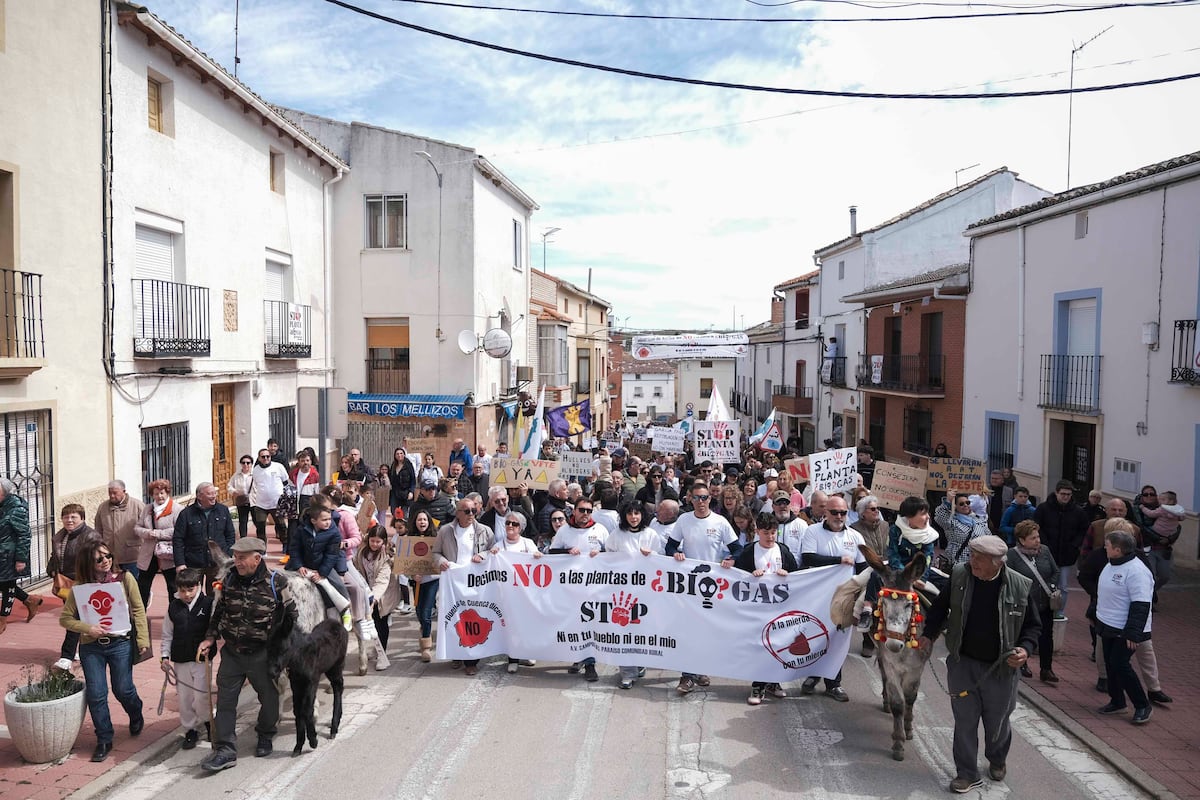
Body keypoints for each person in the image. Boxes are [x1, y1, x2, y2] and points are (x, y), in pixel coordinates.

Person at [918, 535, 1040, 793]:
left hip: (1001, 668)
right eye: (971, 555)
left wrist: (1024, 650)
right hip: (963, 663)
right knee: (965, 722)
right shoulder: (961, 576)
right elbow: (939, 609)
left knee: (997, 722)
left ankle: (997, 758)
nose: (971, 562)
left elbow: (1033, 627)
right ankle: (967, 773)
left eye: (979, 558)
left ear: (998, 562)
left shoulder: (1020, 586)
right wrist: (928, 636)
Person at [198, 537, 298, 771]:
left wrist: (285, 651)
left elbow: (292, 618)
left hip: (262, 654)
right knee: (225, 702)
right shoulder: (229, 579)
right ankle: (225, 749)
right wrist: (210, 636)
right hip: (232, 652)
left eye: (242, 558)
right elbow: (219, 611)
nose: (237, 562)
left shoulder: (276, 582)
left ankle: (265, 733)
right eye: (235, 557)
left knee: (270, 699)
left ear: (257, 558)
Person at [59, 539, 149, 763]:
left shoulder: (125, 578)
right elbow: (65, 619)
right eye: (99, 559)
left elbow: (138, 609)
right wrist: (87, 628)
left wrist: (143, 639)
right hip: (91, 647)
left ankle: (136, 712)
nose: (106, 561)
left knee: (123, 689)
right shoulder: (80, 587)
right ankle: (104, 739)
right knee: (96, 694)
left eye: (108, 556)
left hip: (120, 643)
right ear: (89, 562)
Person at [666, 483, 741, 694]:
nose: (701, 502)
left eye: (705, 497)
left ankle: (701, 670)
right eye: (697, 497)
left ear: (710, 499)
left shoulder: (720, 522)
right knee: (689, 631)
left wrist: (732, 559)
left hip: (712, 586)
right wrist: (676, 553)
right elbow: (670, 545)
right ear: (690, 499)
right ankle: (687, 676)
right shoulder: (684, 520)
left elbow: (737, 548)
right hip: (689, 586)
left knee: (706, 631)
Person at [799, 495, 864, 701]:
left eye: (843, 512)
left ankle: (834, 683)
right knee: (816, 638)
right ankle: (813, 675)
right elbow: (808, 558)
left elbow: (863, 569)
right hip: (817, 599)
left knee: (838, 642)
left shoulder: (856, 537)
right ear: (825, 512)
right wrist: (839, 561)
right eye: (834, 512)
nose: (838, 516)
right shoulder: (812, 532)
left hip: (844, 601)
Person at [734, 511, 799, 705]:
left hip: (779, 608)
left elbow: (797, 576)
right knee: (760, 647)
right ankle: (758, 685)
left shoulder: (783, 550)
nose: (770, 537)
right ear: (757, 532)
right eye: (766, 533)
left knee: (778, 645)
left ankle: (773, 681)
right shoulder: (749, 551)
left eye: (773, 533)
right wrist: (750, 575)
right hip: (757, 610)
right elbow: (736, 577)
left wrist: (786, 573)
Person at [1095, 526, 1154, 725]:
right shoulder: (1112, 563)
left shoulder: (1137, 571)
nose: (1105, 547)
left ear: (1118, 549)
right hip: (1108, 624)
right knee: (1111, 664)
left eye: (1108, 545)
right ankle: (1117, 701)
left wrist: (1132, 633)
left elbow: (1141, 605)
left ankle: (1142, 705)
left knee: (1120, 664)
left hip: (1126, 629)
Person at [432, 499, 495, 675]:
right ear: (457, 512)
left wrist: (482, 555)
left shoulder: (484, 530)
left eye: (473, 511)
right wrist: (442, 561)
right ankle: (456, 653)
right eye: (466, 511)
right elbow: (435, 553)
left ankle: (471, 660)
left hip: (476, 584)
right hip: (454, 583)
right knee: (454, 618)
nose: (471, 515)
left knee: (473, 618)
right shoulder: (445, 531)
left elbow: (494, 550)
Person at [605, 500, 659, 689]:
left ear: (642, 515)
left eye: (637, 513)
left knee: (643, 630)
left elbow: (660, 562)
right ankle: (627, 673)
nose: (633, 517)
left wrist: (651, 555)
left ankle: (640, 662)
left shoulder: (651, 534)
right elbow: (607, 557)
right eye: (630, 513)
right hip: (623, 593)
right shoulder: (616, 535)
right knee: (624, 630)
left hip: (645, 592)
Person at [160, 567, 212, 749]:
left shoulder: (207, 604)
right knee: (184, 697)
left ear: (198, 586)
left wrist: (209, 643)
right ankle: (190, 729)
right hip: (180, 659)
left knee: (201, 695)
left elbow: (213, 631)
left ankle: (207, 721)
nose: (187, 594)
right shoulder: (173, 607)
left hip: (201, 660)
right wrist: (164, 656)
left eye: (190, 590)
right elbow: (167, 633)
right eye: (183, 591)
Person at [1005, 520, 1060, 683]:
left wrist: (1050, 586)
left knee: (1046, 636)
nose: (1038, 540)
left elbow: (1055, 571)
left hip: (1044, 602)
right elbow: (1009, 576)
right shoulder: (1012, 555)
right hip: (1024, 603)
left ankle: (1046, 669)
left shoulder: (1045, 551)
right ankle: (1023, 663)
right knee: (1022, 633)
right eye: (1033, 537)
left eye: (1038, 536)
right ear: (1022, 540)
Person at [489, 513, 542, 674]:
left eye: (515, 524)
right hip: (508, 594)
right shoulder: (499, 545)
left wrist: (537, 556)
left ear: (521, 527)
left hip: (526, 593)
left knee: (527, 624)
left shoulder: (528, 543)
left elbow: (540, 562)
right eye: (508, 523)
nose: (510, 526)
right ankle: (513, 658)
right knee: (511, 626)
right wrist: (492, 554)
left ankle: (527, 653)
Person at [48, 504, 99, 664]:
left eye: (73, 517)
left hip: (83, 582)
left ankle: (66, 656)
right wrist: (52, 569)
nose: (69, 520)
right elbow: (55, 556)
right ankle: (82, 649)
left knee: (74, 616)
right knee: (81, 617)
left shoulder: (90, 536)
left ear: (82, 518)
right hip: (66, 584)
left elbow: (98, 559)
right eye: (66, 517)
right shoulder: (61, 535)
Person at [1033, 481, 1090, 618]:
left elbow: (1084, 530)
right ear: (1057, 493)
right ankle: (1041, 609)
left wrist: (1074, 545)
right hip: (1045, 553)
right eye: (1063, 494)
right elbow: (1036, 526)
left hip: (1066, 555)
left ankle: (1059, 611)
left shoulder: (1078, 512)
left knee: (1063, 586)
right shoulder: (1043, 508)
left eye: (1068, 494)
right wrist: (1043, 544)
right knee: (1043, 583)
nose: (1066, 497)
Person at [172, 482, 236, 591]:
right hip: (193, 563)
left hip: (217, 564)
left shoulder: (223, 510)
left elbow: (230, 535)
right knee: (193, 594)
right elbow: (178, 539)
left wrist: (228, 554)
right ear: (199, 496)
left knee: (216, 595)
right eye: (209, 494)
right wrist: (180, 563)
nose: (213, 496)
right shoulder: (186, 514)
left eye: (214, 493)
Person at [355, 524, 399, 671]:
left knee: (381, 623)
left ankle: (382, 654)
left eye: (378, 542)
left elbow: (382, 581)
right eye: (372, 541)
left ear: (384, 542)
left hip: (383, 595)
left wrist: (373, 598)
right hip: (366, 593)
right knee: (370, 622)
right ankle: (376, 648)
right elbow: (357, 571)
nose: (374, 544)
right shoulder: (361, 553)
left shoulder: (386, 557)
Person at [133, 478, 181, 609]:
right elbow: (137, 527)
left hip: (169, 555)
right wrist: (147, 533)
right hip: (149, 554)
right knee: (143, 587)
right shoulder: (147, 509)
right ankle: (139, 619)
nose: (159, 496)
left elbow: (179, 531)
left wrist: (159, 534)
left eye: (162, 493)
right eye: (156, 493)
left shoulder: (177, 509)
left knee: (173, 587)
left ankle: (174, 616)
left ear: (167, 493)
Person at [1136, 487, 1183, 596]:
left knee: (1165, 576)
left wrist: (1169, 539)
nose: (1149, 496)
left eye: (1152, 494)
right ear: (1142, 496)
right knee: (1149, 574)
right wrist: (1158, 538)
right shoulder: (1138, 508)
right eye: (1146, 494)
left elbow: (1178, 526)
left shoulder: (1167, 508)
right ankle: (1146, 598)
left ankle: (1151, 592)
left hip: (1164, 549)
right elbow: (1140, 526)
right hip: (1148, 547)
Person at [408, 509, 440, 663]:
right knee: (419, 612)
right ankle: (424, 629)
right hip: (417, 581)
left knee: (426, 613)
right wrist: (413, 574)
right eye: (419, 519)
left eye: (425, 520)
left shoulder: (436, 539)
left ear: (429, 522)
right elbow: (404, 562)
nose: (422, 522)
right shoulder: (409, 539)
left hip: (432, 580)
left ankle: (426, 646)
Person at [95, 480, 145, 578]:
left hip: (132, 556)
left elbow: (146, 529)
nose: (112, 496)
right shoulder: (102, 507)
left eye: (115, 493)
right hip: (110, 556)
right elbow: (98, 529)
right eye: (110, 493)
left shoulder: (138, 506)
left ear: (124, 491)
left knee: (133, 585)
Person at [935, 491, 989, 568]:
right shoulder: (951, 521)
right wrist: (948, 501)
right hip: (958, 561)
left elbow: (988, 537)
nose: (965, 505)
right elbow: (940, 516)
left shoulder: (979, 520)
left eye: (967, 502)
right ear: (955, 506)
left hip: (977, 561)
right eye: (961, 504)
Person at [249, 448, 289, 540]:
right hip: (261, 504)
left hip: (276, 504)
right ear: (259, 458)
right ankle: (262, 551)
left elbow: (285, 482)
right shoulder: (255, 470)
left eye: (268, 456)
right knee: (260, 528)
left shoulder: (278, 466)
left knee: (281, 527)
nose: (266, 458)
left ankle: (286, 548)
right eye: (263, 457)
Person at [227, 455, 254, 538]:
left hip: (254, 501)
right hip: (242, 500)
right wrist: (234, 492)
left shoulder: (255, 475)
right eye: (243, 463)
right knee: (243, 521)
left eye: (248, 463)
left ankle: (260, 540)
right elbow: (229, 486)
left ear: (251, 464)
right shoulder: (236, 475)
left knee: (258, 521)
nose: (246, 464)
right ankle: (243, 539)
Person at [389, 447, 417, 516]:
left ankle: (403, 526)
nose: (399, 455)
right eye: (397, 454)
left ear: (404, 454)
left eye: (401, 453)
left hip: (406, 492)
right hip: (395, 493)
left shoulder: (408, 465)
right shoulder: (393, 465)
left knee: (404, 514)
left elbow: (413, 479)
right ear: (395, 456)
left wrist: (411, 491)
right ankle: (397, 526)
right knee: (394, 512)